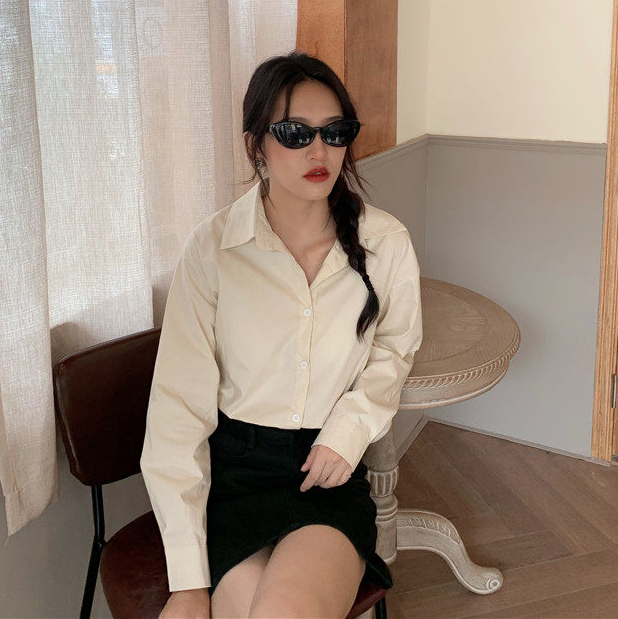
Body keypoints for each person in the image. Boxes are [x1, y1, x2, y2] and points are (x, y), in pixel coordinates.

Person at [140, 50, 424, 618]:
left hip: (325, 472)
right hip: (234, 475)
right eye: (296, 133)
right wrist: (188, 582)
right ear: (256, 146)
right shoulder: (213, 250)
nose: (320, 152)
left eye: (334, 132)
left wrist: (350, 428)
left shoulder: (385, 243)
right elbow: (178, 411)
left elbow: (393, 351)